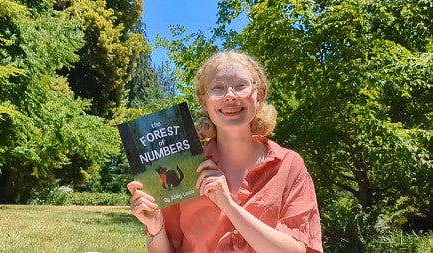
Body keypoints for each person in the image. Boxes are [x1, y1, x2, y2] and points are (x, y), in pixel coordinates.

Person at [128, 51, 323, 253]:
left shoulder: (288, 164)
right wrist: (155, 227)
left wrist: (228, 205)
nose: (230, 96)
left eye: (241, 86)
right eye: (218, 88)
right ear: (204, 102)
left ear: (260, 96)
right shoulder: (184, 167)